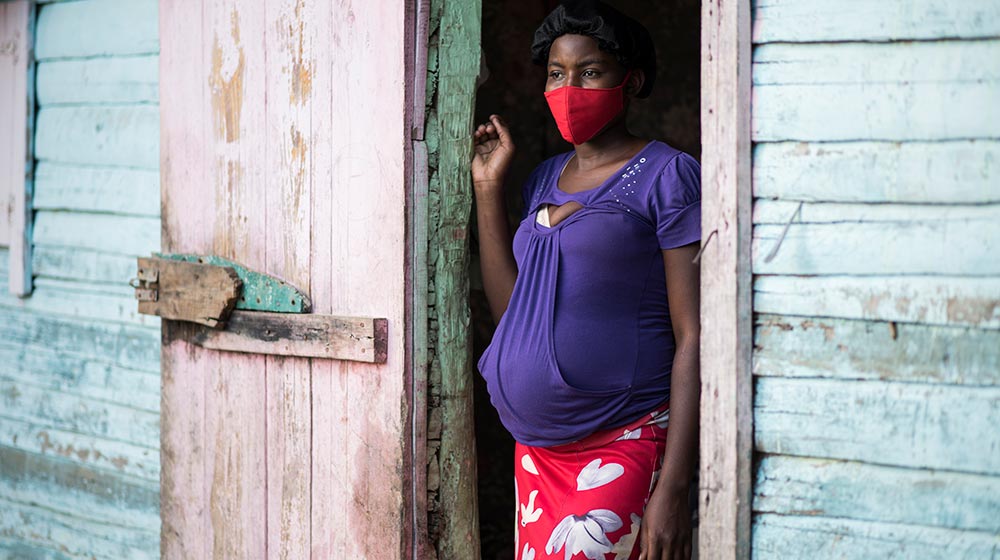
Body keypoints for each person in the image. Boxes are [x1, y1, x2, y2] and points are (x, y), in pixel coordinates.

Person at [471, 1, 701, 559]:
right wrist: (488, 190)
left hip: (625, 439)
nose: (569, 87)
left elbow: (695, 334)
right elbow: (515, 315)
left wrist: (674, 486)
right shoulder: (546, 177)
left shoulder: (668, 174)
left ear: (632, 81)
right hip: (538, 454)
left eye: (590, 71)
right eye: (557, 74)